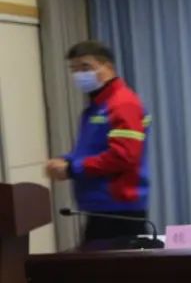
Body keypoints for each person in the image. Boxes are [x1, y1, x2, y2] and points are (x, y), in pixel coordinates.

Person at [45, 40, 150, 243]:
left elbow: (123, 156)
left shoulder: (122, 103)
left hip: (118, 209)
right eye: (74, 69)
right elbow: (93, 150)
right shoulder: (98, 106)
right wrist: (67, 160)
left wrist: (72, 168)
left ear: (107, 67)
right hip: (101, 207)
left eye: (86, 67)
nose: (79, 75)